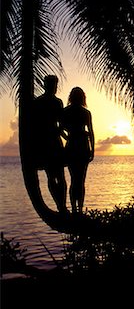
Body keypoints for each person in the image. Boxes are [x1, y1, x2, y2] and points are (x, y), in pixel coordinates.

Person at [33, 75, 67, 213]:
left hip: (46, 141)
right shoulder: (55, 102)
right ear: (47, 85)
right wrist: (61, 133)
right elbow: (62, 123)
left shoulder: (39, 102)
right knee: (56, 176)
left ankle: (61, 205)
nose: (55, 88)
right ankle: (61, 205)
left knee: (54, 176)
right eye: (53, 85)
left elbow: (61, 123)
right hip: (50, 141)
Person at [62, 87, 94, 214]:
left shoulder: (66, 111)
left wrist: (68, 136)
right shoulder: (85, 113)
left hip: (72, 146)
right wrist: (93, 149)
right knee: (80, 180)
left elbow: (60, 129)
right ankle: (79, 209)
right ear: (83, 98)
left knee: (74, 179)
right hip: (82, 146)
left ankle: (75, 209)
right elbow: (91, 132)